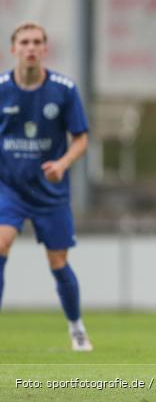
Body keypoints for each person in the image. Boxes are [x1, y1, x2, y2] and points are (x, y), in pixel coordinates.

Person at [0, 22, 92, 351]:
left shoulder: (63, 90)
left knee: (58, 262)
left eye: (37, 42)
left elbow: (81, 138)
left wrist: (63, 165)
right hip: (8, 187)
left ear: (44, 49)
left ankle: (76, 326)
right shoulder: (1, 88)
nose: (30, 47)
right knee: (0, 245)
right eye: (24, 42)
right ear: (13, 49)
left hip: (49, 193)